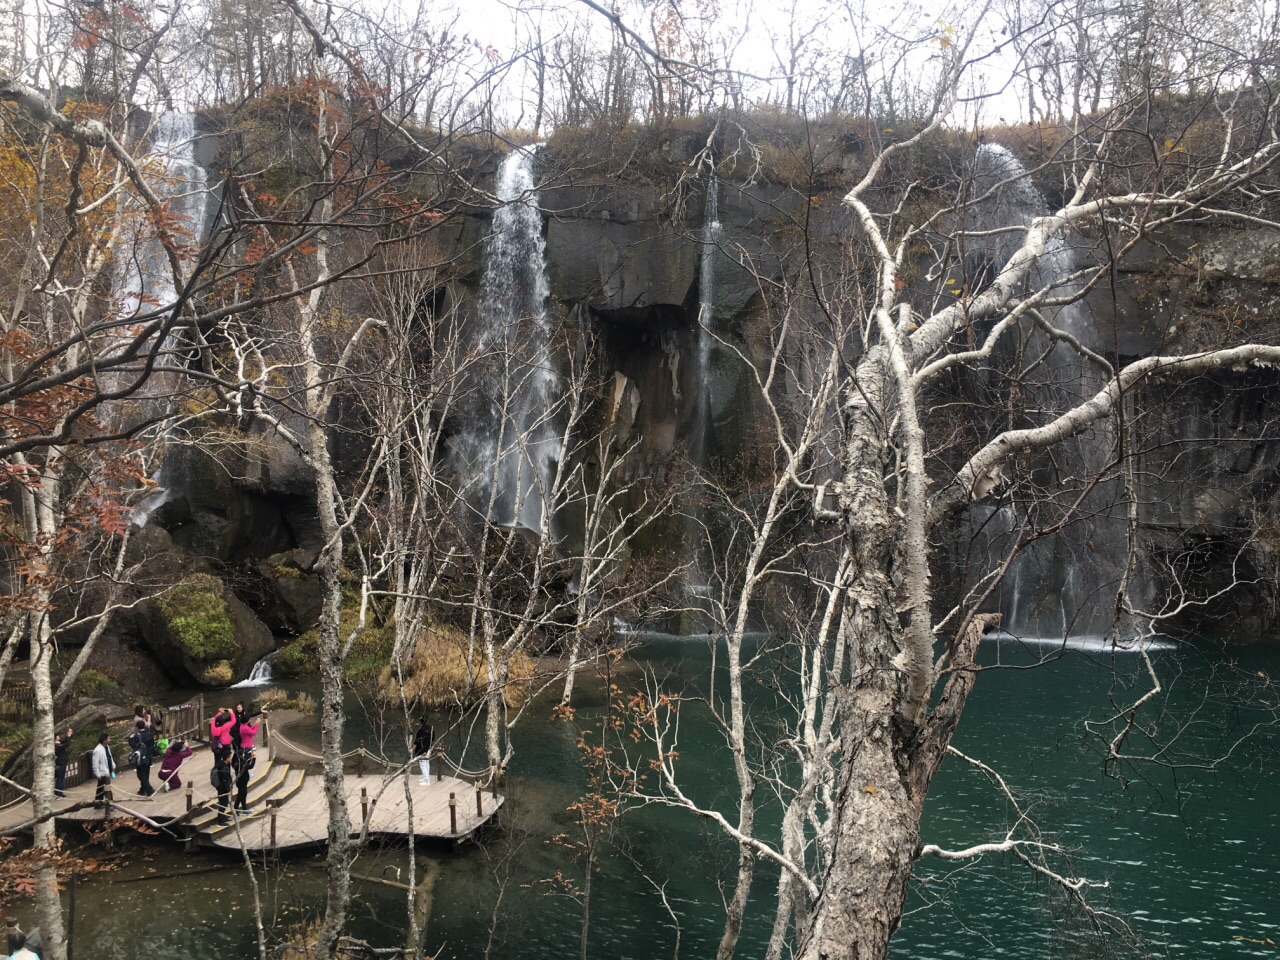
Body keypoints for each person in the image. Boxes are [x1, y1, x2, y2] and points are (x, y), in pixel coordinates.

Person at [127, 719, 156, 797]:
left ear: (137, 727)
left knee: (140, 774)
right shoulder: (150, 734)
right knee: (146, 772)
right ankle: (143, 789)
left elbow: (134, 746)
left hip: (141, 756)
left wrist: (130, 739)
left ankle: (149, 789)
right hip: (149, 755)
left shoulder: (138, 736)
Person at [91, 732, 114, 807]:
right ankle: (109, 803)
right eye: (108, 738)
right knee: (105, 789)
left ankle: (98, 804)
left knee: (102, 789)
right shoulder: (97, 750)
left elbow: (110, 758)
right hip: (102, 772)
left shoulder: (107, 747)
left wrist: (113, 766)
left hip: (107, 771)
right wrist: (97, 774)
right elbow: (95, 764)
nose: (110, 739)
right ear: (104, 740)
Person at [212, 749, 233, 825]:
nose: (231, 758)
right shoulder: (223, 767)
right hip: (223, 788)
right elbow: (225, 780)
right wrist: (228, 790)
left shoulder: (219, 764)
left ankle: (222, 816)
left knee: (222, 802)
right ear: (227, 758)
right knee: (224, 803)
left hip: (219, 787)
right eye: (230, 757)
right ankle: (220, 821)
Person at [411, 718, 434, 784]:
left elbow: (417, 741)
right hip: (428, 748)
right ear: (428, 721)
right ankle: (426, 778)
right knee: (427, 763)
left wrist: (412, 749)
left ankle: (426, 781)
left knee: (423, 765)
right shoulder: (431, 729)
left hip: (421, 749)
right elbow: (433, 738)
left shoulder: (420, 730)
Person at [234, 747, 256, 811]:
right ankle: (236, 808)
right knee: (240, 795)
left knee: (244, 794)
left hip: (242, 781)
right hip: (242, 781)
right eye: (243, 754)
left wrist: (250, 755)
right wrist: (254, 758)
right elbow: (250, 766)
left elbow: (246, 761)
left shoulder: (238, 762)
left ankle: (244, 808)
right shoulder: (241, 764)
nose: (244, 755)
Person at [53, 727, 70, 798]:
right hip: (61, 763)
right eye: (57, 736)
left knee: (59, 778)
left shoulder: (58, 744)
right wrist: (68, 737)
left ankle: (57, 792)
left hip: (59, 763)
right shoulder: (57, 745)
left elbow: (65, 741)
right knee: (60, 778)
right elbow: (67, 744)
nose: (59, 737)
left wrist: (69, 735)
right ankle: (59, 793)